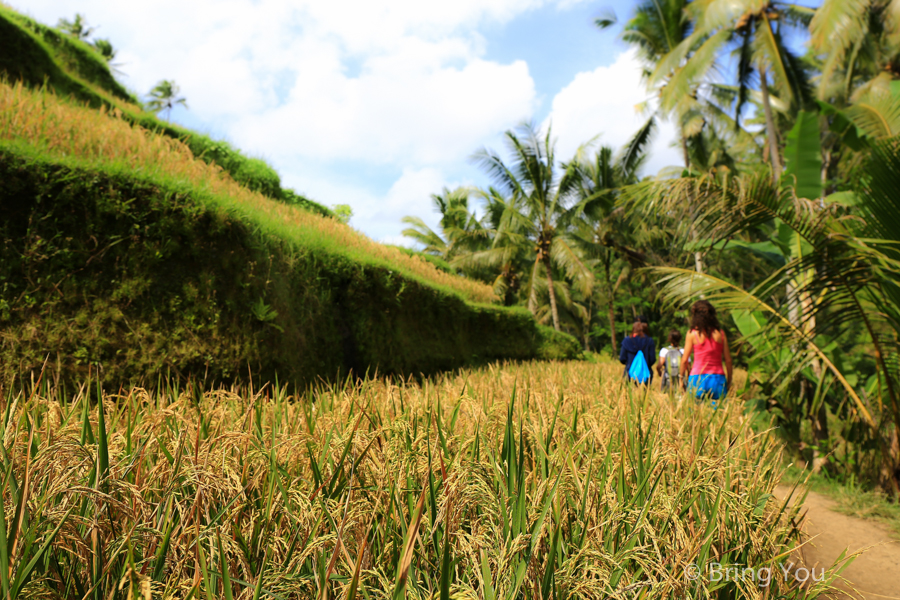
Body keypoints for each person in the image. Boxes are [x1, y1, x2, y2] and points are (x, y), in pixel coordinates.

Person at [680, 300, 733, 404]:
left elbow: (684, 360)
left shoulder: (692, 334)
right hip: (718, 379)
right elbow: (728, 360)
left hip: (697, 378)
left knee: (694, 415)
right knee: (718, 415)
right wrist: (729, 380)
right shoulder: (721, 334)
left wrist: (681, 379)